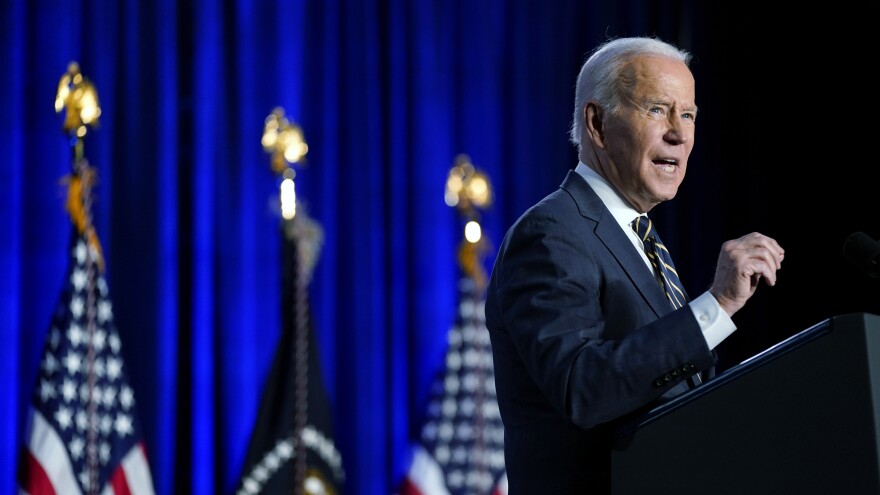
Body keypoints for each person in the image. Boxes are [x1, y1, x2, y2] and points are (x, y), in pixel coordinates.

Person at [484, 36, 785, 493]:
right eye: (657, 109)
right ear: (598, 123)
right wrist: (717, 305)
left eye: (688, 115)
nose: (679, 134)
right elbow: (581, 386)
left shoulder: (638, 235)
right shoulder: (550, 233)